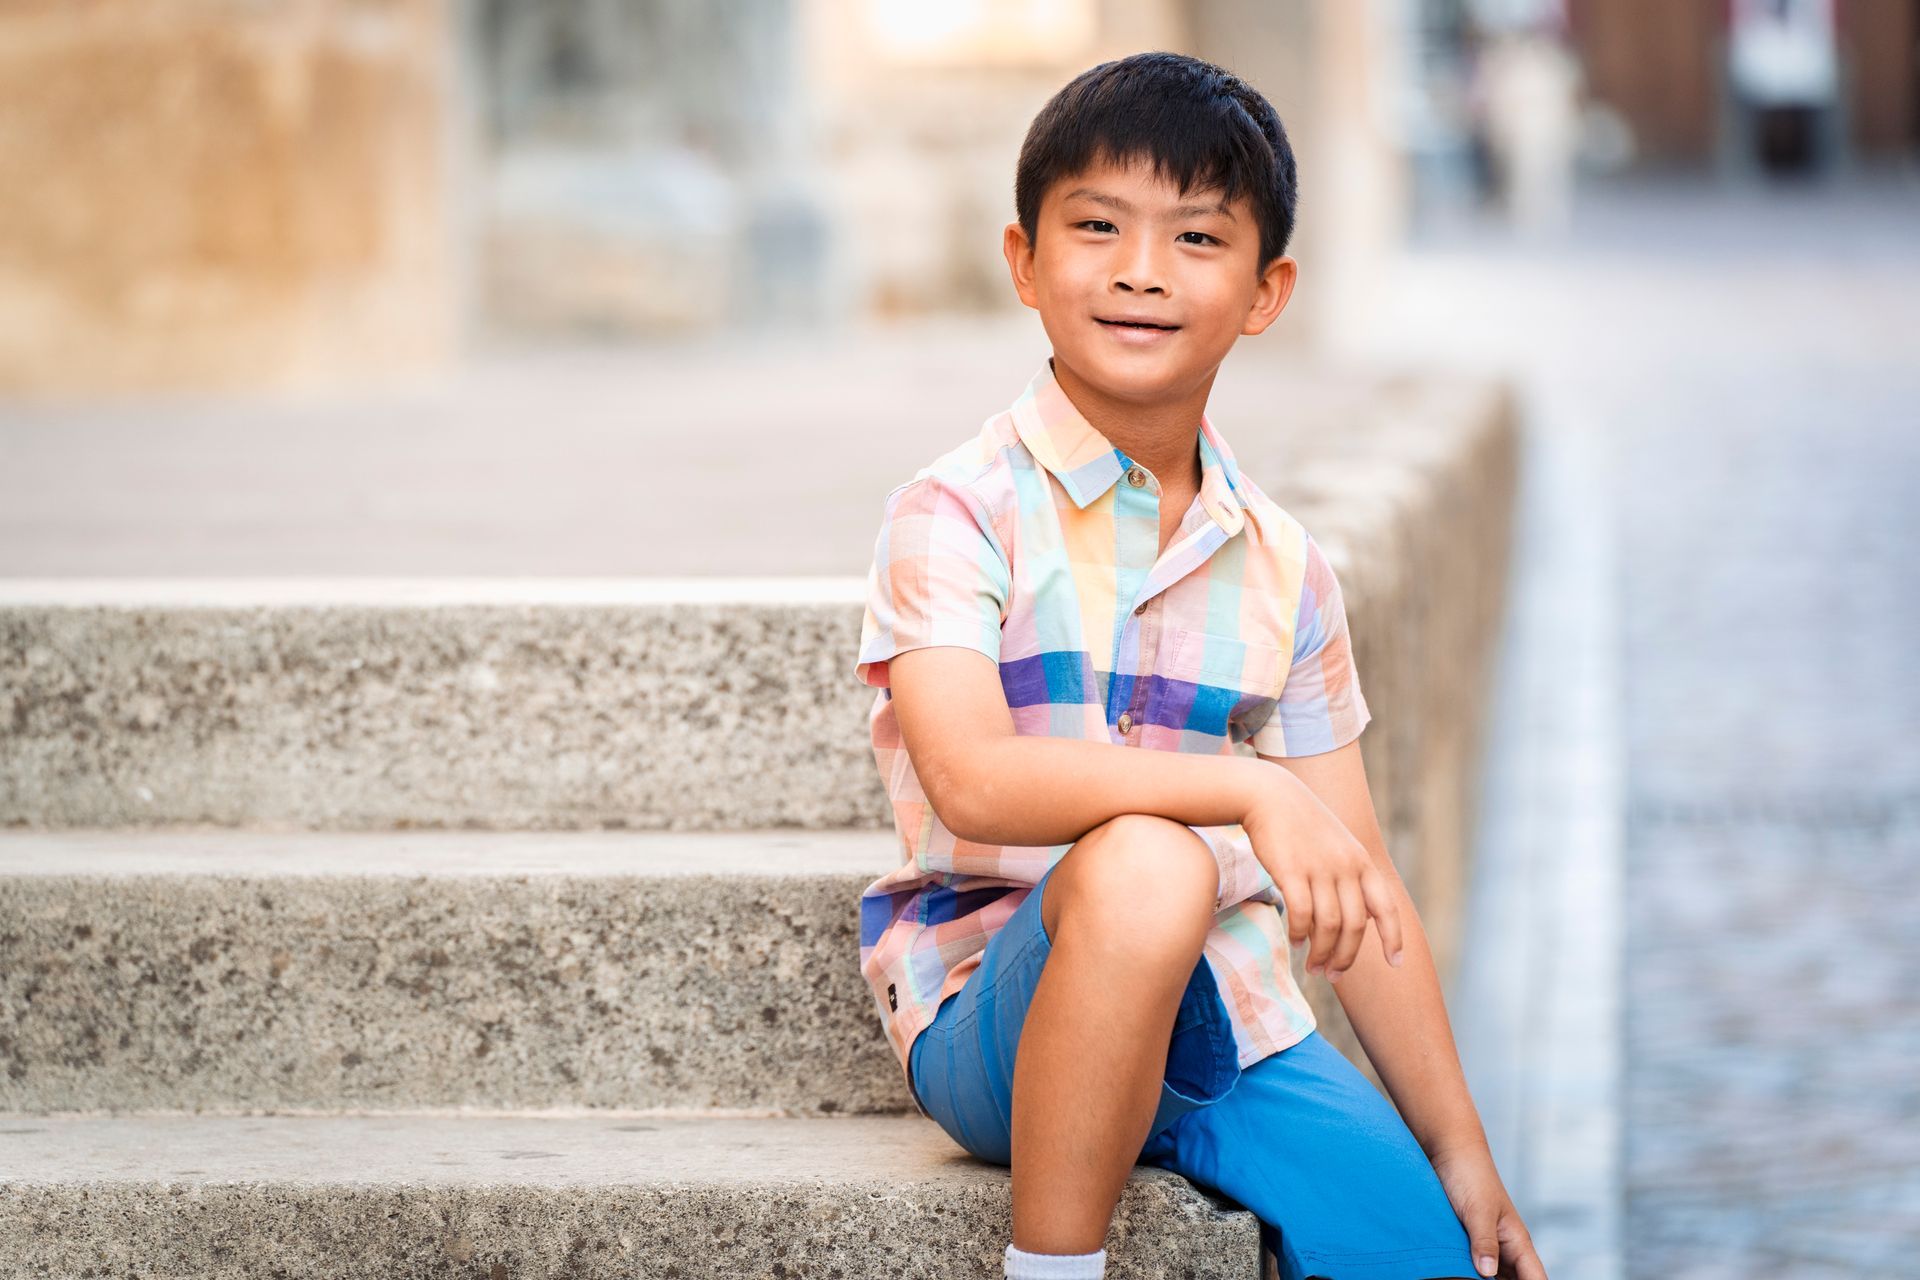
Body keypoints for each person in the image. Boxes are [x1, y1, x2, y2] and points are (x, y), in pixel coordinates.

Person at [851, 52, 1546, 1280]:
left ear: (1266, 291)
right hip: (1000, 1019)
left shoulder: (1286, 566)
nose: (1141, 269)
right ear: (1023, 259)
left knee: (1421, 1250)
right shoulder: (955, 512)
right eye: (1097, 226)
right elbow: (973, 777)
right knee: (1149, 862)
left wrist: (1462, 1147)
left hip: (1229, 1021)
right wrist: (1245, 787)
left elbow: (1358, 881)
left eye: (1197, 237)